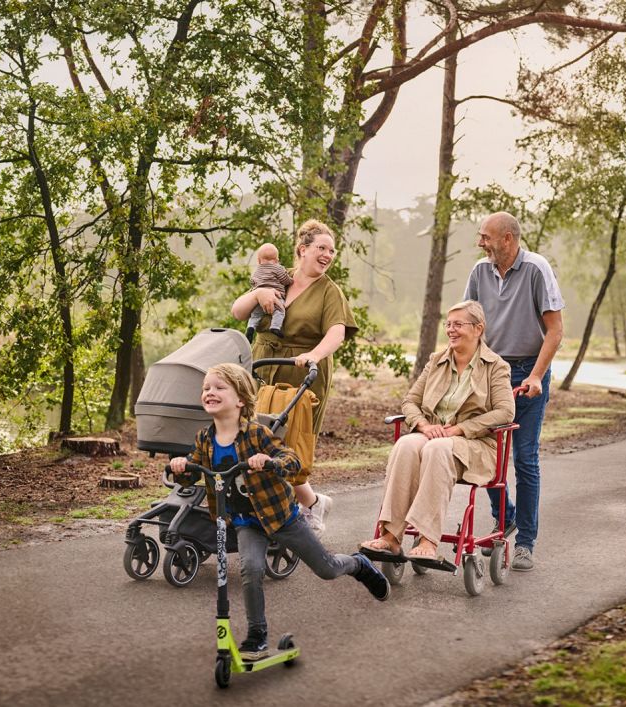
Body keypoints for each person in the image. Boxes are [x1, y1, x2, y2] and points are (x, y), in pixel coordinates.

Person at [169, 363, 389, 660]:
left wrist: (270, 462)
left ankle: (359, 564)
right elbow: (191, 473)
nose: (210, 392)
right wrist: (181, 466)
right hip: (246, 522)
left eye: (220, 387)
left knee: (326, 569)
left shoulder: (257, 434)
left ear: (241, 400)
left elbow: (292, 460)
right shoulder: (204, 439)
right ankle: (257, 635)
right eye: (206, 388)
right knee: (251, 570)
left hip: (282, 518)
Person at [358, 301, 515, 562]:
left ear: (478, 329)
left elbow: (505, 412)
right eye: (448, 324)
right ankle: (390, 536)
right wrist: (423, 425)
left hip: (475, 445)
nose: (451, 330)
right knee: (406, 445)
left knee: (437, 447)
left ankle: (428, 538)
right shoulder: (437, 361)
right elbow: (410, 401)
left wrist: (459, 429)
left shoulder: (495, 366)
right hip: (434, 434)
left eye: (458, 325)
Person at [230, 219, 357, 536]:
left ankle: (304, 505)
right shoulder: (278, 278)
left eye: (331, 250)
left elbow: (337, 332)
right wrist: (258, 292)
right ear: (302, 250)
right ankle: (306, 502)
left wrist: (314, 354)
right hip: (262, 366)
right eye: (321, 248)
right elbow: (237, 311)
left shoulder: (329, 291)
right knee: (253, 436)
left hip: (302, 373)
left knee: (287, 443)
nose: (327, 254)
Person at [462, 212, 564, 572]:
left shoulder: (536, 269)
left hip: (526, 373)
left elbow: (555, 330)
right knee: (487, 453)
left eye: (486, 237)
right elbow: (468, 325)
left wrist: (537, 376)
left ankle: (525, 544)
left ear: (508, 239)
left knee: (524, 458)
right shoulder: (479, 272)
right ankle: (504, 517)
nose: (481, 243)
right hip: (491, 372)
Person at [245, 242, 294, 340]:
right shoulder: (278, 268)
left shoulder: (257, 270)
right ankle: (275, 327)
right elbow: (285, 280)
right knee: (280, 311)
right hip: (275, 298)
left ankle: (250, 327)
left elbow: (253, 282)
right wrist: (291, 280)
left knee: (255, 315)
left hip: (259, 300)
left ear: (258, 260)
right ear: (277, 260)